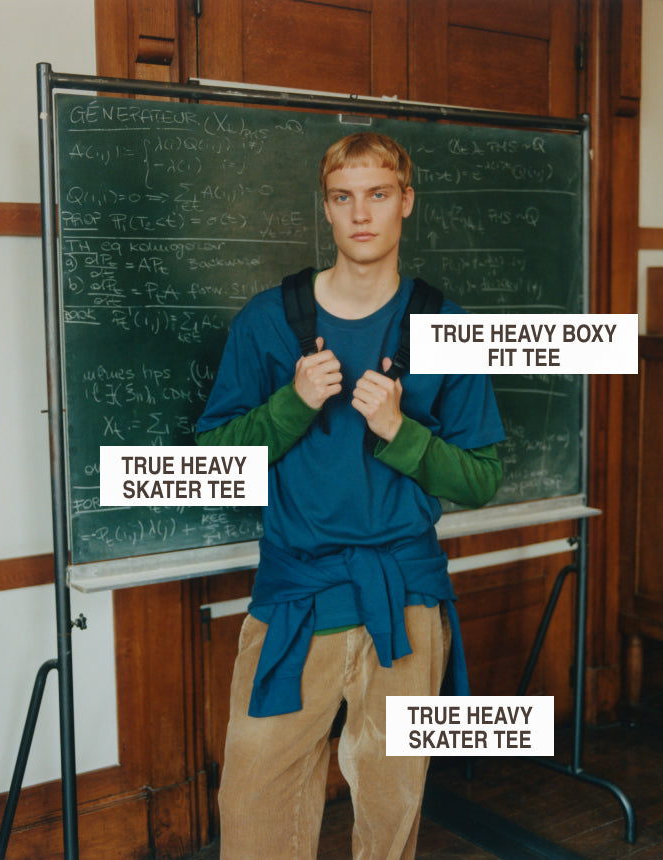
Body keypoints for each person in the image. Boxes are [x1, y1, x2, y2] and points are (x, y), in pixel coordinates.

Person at [196, 132, 505, 860]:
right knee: (253, 806)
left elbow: (481, 478)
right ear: (327, 208)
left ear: (406, 202)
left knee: (391, 809)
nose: (361, 214)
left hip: (406, 603)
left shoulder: (448, 324)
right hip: (296, 598)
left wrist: (400, 429)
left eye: (378, 194)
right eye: (344, 197)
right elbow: (212, 460)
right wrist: (292, 405)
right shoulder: (268, 320)